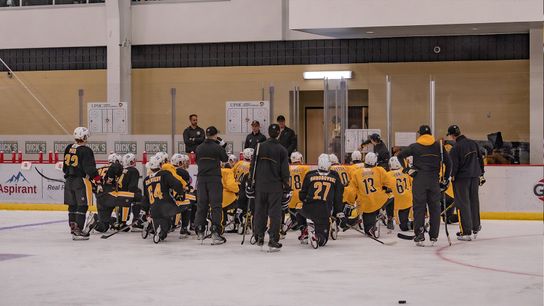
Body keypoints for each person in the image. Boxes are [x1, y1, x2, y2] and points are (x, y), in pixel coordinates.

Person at [397, 125, 451, 246]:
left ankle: (419, 235)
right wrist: (446, 179)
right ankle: (433, 236)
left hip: (419, 179)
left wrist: (407, 169)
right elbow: (449, 163)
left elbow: (399, 155)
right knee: (435, 209)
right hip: (434, 180)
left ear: (420, 134)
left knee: (419, 208)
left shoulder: (415, 146)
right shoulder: (439, 146)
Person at [248, 123, 290, 251]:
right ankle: (273, 239)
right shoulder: (282, 150)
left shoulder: (259, 146)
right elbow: (285, 171)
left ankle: (259, 236)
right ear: (278, 133)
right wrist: (286, 185)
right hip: (275, 187)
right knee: (275, 213)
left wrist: (250, 182)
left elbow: (253, 166)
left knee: (260, 211)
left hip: (260, 185)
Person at [447, 125, 485, 241]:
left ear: (453, 135)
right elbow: (480, 159)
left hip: (461, 179)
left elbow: (454, 166)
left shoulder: (456, 147)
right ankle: (476, 227)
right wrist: (481, 174)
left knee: (463, 203)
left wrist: (450, 177)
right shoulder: (473, 143)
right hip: (474, 176)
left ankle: (466, 231)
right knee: (474, 201)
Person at [62, 127, 101, 240]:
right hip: (81, 181)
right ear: (84, 137)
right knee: (82, 206)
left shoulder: (68, 148)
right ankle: (78, 230)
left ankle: (73, 227)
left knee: (72, 205)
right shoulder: (86, 150)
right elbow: (89, 168)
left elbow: (64, 167)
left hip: (69, 181)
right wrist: (97, 180)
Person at [298, 154, 345, 248]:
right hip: (324, 211)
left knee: (299, 211)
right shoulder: (334, 177)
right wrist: (338, 212)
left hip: (308, 209)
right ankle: (317, 237)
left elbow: (302, 195)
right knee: (323, 240)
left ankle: (305, 228)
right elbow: (338, 198)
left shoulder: (309, 175)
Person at [346, 152, 395, 237]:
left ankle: (372, 223)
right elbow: (390, 184)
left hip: (366, 205)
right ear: (375, 162)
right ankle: (388, 216)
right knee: (391, 196)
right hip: (379, 201)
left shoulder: (356, 173)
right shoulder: (380, 170)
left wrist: (350, 202)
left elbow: (351, 191)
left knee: (368, 232)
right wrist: (385, 188)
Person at [194, 126, 229, 244]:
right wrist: (223, 146)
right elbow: (225, 158)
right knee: (216, 206)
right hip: (214, 179)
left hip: (201, 179)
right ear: (215, 135)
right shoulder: (217, 147)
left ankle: (200, 230)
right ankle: (215, 232)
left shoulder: (199, 148)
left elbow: (197, 161)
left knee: (201, 205)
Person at [141, 155, 185, 243]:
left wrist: (145, 210)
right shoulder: (164, 174)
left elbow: (146, 197)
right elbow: (177, 185)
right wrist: (181, 192)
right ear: (160, 164)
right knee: (168, 225)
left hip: (153, 209)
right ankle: (161, 232)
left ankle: (150, 224)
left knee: (158, 223)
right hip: (166, 206)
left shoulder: (146, 180)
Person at [89, 153, 125, 233]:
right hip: (110, 195)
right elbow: (115, 169)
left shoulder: (100, 169)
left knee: (104, 226)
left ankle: (96, 219)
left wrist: (96, 190)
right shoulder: (115, 166)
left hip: (100, 196)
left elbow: (92, 181)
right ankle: (119, 222)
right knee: (123, 203)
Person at [171, 153, 194, 238]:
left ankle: (175, 223)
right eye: (184, 162)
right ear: (180, 162)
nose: (186, 163)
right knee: (192, 202)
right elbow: (186, 187)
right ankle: (190, 225)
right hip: (178, 196)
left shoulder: (169, 169)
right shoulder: (182, 172)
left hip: (168, 196)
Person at [286, 151, 310, 232]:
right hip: (301, 196)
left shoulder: (287, 167)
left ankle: (294, 221)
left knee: (292, 210)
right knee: (301, 212)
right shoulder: (305, 168)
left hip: (290, 196)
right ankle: (300, 224)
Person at [387, 156, 413, 231]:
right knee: (404, 227)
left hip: (397, 202)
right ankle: (418, 224)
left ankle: (389, 217)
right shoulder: (406, 171)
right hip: (408, 200)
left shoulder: (388, 174)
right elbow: (413, 183)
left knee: (388, 197)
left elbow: (385, 187)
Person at [233, 148, 253, 234]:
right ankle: (246, 223)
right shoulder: (251, 165)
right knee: (247, 206)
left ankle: (238, 223)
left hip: (236, 188)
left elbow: (232, 174)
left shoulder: (238, 163)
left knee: (239, 207)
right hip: (245, 188)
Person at [221, 155, 240, 233]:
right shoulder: (229, 172)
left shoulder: (218, 170)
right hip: (228, 197)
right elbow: (230, 185)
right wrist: (237, 189)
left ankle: (221, 225)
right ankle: (234, 223)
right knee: (239, 204)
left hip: (216, 195)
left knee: (220, 210)